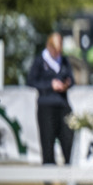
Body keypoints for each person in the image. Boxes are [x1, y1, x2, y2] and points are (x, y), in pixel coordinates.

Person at [27, 32, 75, 164]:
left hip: (63, 104)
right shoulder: (40, 61)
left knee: (68, 138)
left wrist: (66, 84)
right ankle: (49, 175)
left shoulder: (64, 61)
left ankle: (69, 172)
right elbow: (31, 81)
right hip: (46, 105)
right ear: (49, 46)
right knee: (47, 139)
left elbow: (72, 79)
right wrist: (50, 85)